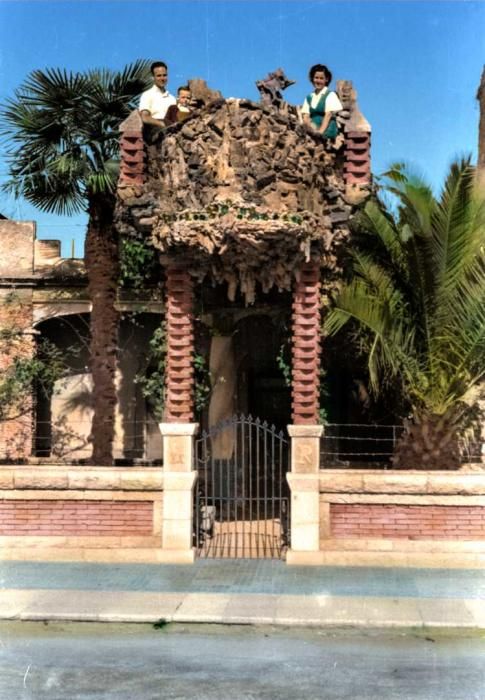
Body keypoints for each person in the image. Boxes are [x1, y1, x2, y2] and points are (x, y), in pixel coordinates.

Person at [301, 64, 342, 139]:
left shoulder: (330, 95)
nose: (318, 81)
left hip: (326, 130)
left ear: (326, 79)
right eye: (316, 78)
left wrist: (320, 132)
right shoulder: (309, 97)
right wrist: (310, 130)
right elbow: (306, 116)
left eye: (321, 78)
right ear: (312, 79)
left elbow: (328, 115)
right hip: (313, 129)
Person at [139, 61, 176, 127]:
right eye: (159, 76)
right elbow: (145, 117)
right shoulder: (147, 95)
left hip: (171, 129)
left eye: (164, 75)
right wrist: (162, 124)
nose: (162, 78)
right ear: (153, 77)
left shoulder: (172, 98)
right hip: (155, 130)